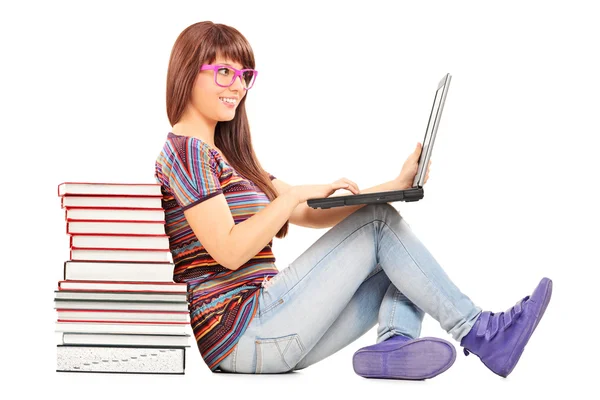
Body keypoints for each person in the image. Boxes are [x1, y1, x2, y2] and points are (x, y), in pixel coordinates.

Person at [154, 21, 552, 380]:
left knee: (401, 261)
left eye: (244, 75)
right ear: (188, 72)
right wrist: (290, 195)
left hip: (269, 328)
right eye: (224, 72)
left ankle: (393, 345)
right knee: (379, 224)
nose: (238, 86)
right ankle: (480, 332)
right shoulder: (186, 151)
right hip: (241, 333)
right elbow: (228, 250)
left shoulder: (230, 155)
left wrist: (394, 184)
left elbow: (303, 212)